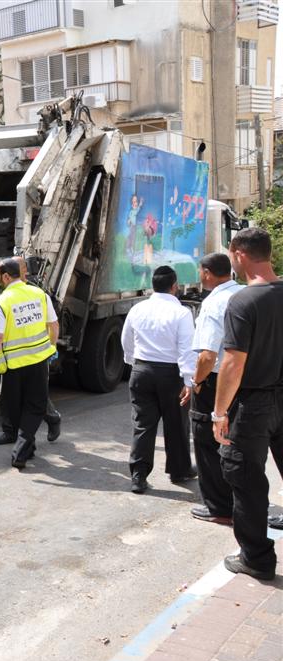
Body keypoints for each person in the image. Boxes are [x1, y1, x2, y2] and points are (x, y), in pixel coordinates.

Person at [212, 227, 283, 581]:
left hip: (254, 405)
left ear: (240, 254)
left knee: (247, 480)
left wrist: (219, 412)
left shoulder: (243, 301)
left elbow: (233, 363)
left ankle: (256, 558)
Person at [121, 265, 197, 494]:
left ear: (152, 286)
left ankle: (138, 476)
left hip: (141, 370)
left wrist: (133, 362)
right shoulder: (182, 313)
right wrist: (188, 380)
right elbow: (186, 349)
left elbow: (127, 340)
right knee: (176, 424)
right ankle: (179, 470)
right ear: (174, 287)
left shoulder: (137, 309)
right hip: (170, 374)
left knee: (143, 424)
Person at [0, 258, 58, 468]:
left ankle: (21, 452)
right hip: (39, 363)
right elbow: (54, 324)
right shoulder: (40, 294)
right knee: (34, 407)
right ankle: (28, 447)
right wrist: (52, 348)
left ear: (6, 277)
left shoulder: (2, 302)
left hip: (12, 367)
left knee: (14, 408)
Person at [189, 253, 242, 524]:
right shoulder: (245, 294)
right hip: (247, 379)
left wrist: (196, 382)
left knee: (207, 441)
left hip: (217, 380)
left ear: (207, 273)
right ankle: (238, 501)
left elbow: (207, 356)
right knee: (237, 440)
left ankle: (218, 507)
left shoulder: (214, 303)